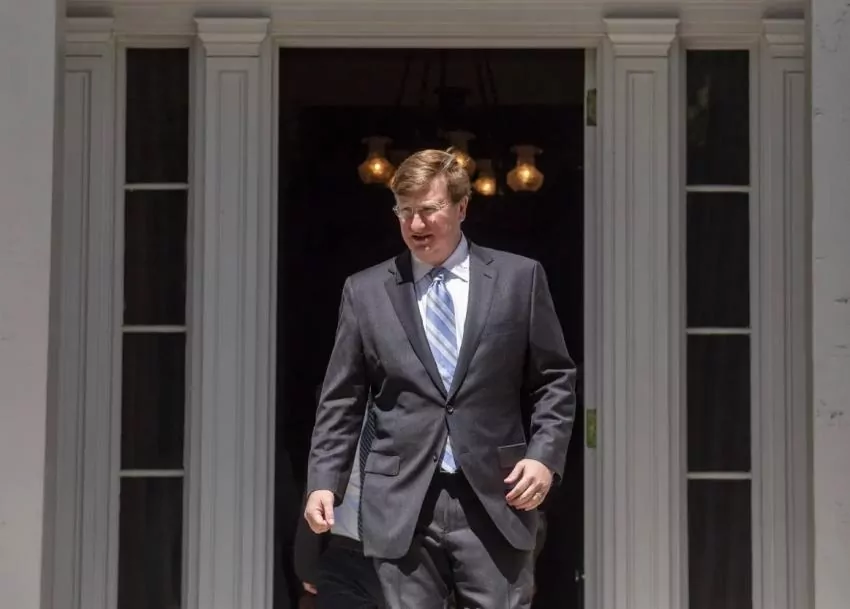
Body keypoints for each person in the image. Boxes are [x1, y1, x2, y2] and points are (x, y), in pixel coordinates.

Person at [303, 148, 576, 608]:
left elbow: (554, 379)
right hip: (402, 501)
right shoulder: (365, 291)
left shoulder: (519, 279)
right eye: (404, 211)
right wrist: (323, 480)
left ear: (462, 207)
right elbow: (342, 399)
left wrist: (543, 457)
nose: (416, 224)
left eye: (429, 209)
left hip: (497, 496)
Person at [294, 390, 385, 609]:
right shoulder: (337, 414)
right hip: (343, 553)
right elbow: (316, 484)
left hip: (403, 553)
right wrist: (307, 566)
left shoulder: (414, 408)